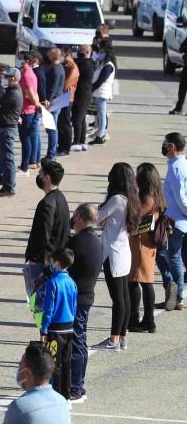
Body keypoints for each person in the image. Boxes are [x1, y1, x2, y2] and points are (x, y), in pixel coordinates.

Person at [93, 162, 139, 351]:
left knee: (117, 298)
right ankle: (122, 336)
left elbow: (97, 218)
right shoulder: (132, 199)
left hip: (112, 252)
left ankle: (113, 339)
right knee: (124, 296)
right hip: (123, 251)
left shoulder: (117, 200)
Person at [66, 203, 103, 404]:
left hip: (77, 298)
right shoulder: (94, 241)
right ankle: (77, 384)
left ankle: (76, 387)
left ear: (80, 217)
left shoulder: (79, 242)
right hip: (86, 295)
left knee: (76, 340)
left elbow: (63, 263)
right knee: (80, 339)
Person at [23, 159, 70, 297]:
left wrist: (42, 261)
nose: (39, 177)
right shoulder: (61, 198)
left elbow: (44, 235)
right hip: (55, 259)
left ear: (47, 178)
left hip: (43, 263)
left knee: (39, 304)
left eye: (40, 174)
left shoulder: (47, 203)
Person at [38, 247, 78, 399]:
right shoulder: (72, 283)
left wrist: (44, 329)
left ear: (57, 263)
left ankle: (57, 395)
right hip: (68, 327)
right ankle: (66, 396)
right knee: (67, 363)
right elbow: (74, 306)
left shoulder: (53, 282)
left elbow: (48, 309)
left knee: (54, 364)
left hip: (55, 329)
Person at [129, 163, 163, 332]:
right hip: (146, 244)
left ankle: (141, 319)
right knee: (143, 281)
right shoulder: (156, 196)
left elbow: (135, 217)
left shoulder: (146, 199)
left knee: (138, 281)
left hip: (140, 243)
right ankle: (145, 319)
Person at [161, 132, 187, 310]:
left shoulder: (177, 167)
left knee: (173, 256)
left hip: (177, 219)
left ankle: (177, 296)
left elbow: (180, 197)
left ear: (172, 146)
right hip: (178, 218)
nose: (163, 146)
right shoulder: (179, 164)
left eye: (165, 144)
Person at [0, 67, 22, 197]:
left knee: (8, 158)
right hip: (4, 126)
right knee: (6, 158)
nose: (6, 80)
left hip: (6, 128)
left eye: (8, 77)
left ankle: (9, 187)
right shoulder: (11, 90)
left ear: (13, 79)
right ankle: (7, 185)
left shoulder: (13, 93)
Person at [89, 38, 116, 145]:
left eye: (101, 52)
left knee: (101, 113)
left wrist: (91, 89)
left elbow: (101, 80)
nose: (99, 54)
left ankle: (100, 135)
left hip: (101, 92)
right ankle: (100, 134)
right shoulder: (102, 63)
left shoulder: (108, 65)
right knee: (100, 114)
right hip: (98, 92)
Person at [70, 44, 94, 152]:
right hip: (85, 93)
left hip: (82, 94)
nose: (79, 54)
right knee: (82, 119)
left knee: (77, 119)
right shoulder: (88, 63)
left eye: (80, 52)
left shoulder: (85, 64)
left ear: (87, 53)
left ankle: (77, 141)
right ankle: (82, 141)